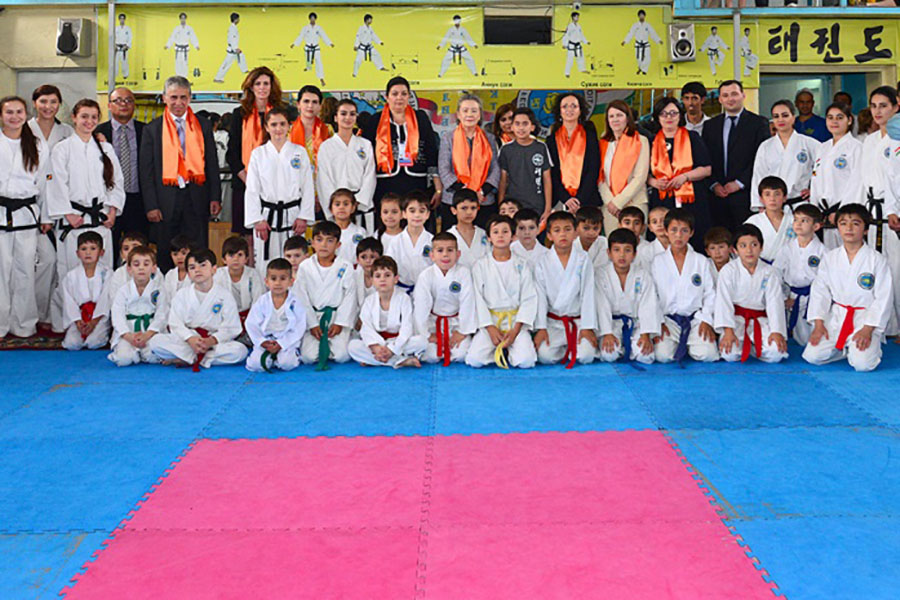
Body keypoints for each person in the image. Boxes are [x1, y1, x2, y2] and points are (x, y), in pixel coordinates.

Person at [140, 76, 221, 272]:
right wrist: (151, 205)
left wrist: (215, 197)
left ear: (190, 98)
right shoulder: (152, 129)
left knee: (198, 250)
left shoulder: (203, 125)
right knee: (166, 252)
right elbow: (146, 172)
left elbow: (212, 164)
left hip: (196, 197)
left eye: (183, 97)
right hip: (165, 201)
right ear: (164, 98)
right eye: (173, 97)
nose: (178, 102)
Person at [802, 204, 894, 372]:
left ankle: (865, 348)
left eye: (856, 223)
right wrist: (819, 324)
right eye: (843, 223)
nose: (849, 228)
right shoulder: (830, 258)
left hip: (864, 318)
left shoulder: (877, 260)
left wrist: (868, 329)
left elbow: (883, 298)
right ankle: (844, 349)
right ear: (837, 228)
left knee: (863, 365)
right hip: (837, 317)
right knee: (812, 356)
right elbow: (820, 292)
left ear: (866, 229)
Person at [48, 98, 124, 290]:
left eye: (94, 117)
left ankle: (101, 310)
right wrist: (68, 214)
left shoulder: (105, 148)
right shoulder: (62, 148)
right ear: (74, 117)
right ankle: (71, 310)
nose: (89, 121)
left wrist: (112, 211)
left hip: (100, 219)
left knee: (103, 274)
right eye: (84, 116)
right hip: (73, 220)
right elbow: (57, 183)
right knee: (70, 273)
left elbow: (116, 181)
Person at [149, 248, 248, 370]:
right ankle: (200, 358)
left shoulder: (225, 295)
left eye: (202, 265)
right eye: (192, 267)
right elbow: (175, 323)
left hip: (212, 341)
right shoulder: (182, 295)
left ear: (214, 269)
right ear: (188, 273)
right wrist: (190, 339)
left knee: (240, 351)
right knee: (155, 342)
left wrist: (211, 340)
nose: (197, 270)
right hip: (189, 341)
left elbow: (232, 327)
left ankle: (187, 358)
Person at [0, 95, 49, 339]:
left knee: (25, 270)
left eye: (19, 112)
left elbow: (44, 183)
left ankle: (24, 324)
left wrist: (46, 216)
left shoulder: (37, 145)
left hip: (27, 215)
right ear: (1, 116)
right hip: (0, 212)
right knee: (1, 271)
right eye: (9, 112)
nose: (14, 117)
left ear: (26, 114)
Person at [244, 106, 315, 271]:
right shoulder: (258, 154)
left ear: (289, 126)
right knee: (265, 264)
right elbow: (252, 189)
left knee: (295, 263)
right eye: (274, 124)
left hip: (293, 215)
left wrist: (304, 216)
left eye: (282, 124)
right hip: (266, 217)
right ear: (266, 127)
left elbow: (307, 187)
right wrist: (257, 219)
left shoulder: (299, 152)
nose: (278, 129)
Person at [466, 215, 538, 369]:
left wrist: (516, 330)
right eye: (496, 232)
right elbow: (478, 299)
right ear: (489, 237)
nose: (500, 235)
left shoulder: (522, 264)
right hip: (491, 322)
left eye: (505, 232)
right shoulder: (480, 265)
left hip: (515, 322)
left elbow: (529, 298)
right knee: (474, 360)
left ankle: (509, 349)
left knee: (526, 361)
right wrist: (490, 328)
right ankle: (500, 348)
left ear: (513, 236)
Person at [29, 85, 73, 329]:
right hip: (29, 205)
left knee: (59, 263)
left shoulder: (66, 131)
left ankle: (52, 315)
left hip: (62, 203)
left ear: (60, 104)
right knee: (43, 261)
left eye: (53, 102)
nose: (48, 106)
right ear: (34, 103)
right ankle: (34, 313)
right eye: (43, 101)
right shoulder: (24, 130)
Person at [362, 77, 440, 213]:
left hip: (416, 182)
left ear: (409, 96)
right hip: (385, 183)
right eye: (395, 94)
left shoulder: (420, 118)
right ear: (387, 97)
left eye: (404, 94)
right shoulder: (375, 121)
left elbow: (431, 151)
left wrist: (437, 186)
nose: (399, 97)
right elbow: (367, 156)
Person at [226, 67, 287, 239]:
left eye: (266, 83)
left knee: (275, 233)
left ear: (272, 86)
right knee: (248, 236)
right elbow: (232, 154)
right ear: (251, 87)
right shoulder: (239, 114)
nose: (262, 88)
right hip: (244, 184)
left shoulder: (281, 113)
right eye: (258, 83)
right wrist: (250, 181)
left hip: (276, 184)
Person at [651, 208, 718, 363]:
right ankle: (683, 344)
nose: (679, 235)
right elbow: (652, 295)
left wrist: (706, 320)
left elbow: (710, 293)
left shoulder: (701, 261)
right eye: (674, 230)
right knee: (662, 356)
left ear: (691, 233)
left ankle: (690, 343)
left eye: (684, 231)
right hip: (669, 320)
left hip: (695, 319)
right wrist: (659, 321)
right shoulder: (657, 262)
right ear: (666, 231)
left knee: (708, 355)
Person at [702, 80, 771, 231]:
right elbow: (706, 158)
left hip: (745, 195)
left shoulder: (758, 123)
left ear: (743, 95)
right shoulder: (710, 125)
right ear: (720, 99)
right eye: (725, 95)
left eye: (734, 94)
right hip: (717, 196)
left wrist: (739, 183)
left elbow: (761, 159)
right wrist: (714, 184)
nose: (730, 99)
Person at [714, 224, 788, 363]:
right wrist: (728, 331)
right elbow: (723, 302)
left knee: (776, 354)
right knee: (729, 355)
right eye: (743, 246)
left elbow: (775, 303)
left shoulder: (770, 272)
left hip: (761, 320)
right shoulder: (728, 271)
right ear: (735, 250)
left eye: (754, 245)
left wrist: (777, 331)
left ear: (761, 247)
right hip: (736, 320)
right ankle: (747, 346)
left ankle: (753, 348)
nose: (749, 250)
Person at [532, 211, 598, 368]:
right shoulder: (542, 262)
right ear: (549, 235)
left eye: (568, 229)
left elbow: (588, 294)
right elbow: (540, 297)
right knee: (545, 356)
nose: (563, 234)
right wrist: (541, 328)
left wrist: (587, 327)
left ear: (575, 233)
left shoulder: (583, 259)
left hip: (577, 321)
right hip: (553, 323)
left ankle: (571, 347)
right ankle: (568, 348)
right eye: (557, 230)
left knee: (586, 356)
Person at [647, 97, 713, 251]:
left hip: (691, 197)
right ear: (657, 117)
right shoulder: (651, 141)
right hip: (663, 197)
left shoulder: (692, 137)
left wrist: (684, 177)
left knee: (694, 236)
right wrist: (654, 182)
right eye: (664, 114)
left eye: (673, 113)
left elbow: (706, 169)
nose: (668, 117)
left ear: (680, 115)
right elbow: (645, 173)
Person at [295, 221, 357, 369]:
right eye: (319, 240)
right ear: (312, 243)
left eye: (329, 241)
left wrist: (340, 323)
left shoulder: (345, 266)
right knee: (308, 357)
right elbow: (301, 297)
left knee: (342, 356)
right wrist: (312, 324)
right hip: (314, 316)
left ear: (338, 245)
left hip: (335, 316)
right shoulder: (305, 267)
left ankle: (345, 337)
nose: (324, 245)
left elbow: (350, 296)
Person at [596, 228, 660, 366]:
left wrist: (645, 334)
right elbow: (601, 306)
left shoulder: (643, 275)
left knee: (646, 356)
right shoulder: (600, 275)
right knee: (609, 354)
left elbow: (648, 305)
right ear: (609, 253)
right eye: (616, 250)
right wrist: (607, 333)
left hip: (636, 324)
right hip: (612, 324)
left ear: (634, 254)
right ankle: (622, 347)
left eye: (627, 250)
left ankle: (629, 346)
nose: (622, 255)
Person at [348, 256, 426, 368]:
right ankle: (400, 361)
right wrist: (376, 347)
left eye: (387, 275)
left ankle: (375, 360)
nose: (382, 279)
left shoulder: (404, 299)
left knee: (421, 342)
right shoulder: (369, 301)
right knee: (353, 346)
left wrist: (391, 349)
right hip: (377, 342)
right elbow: (366, 328)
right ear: (372, 280)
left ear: (396, 279)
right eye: (378, 276)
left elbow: (406, 328)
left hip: (397, 341)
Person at [413, 232, 477, 365]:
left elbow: (468, 302)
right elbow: (421, 307)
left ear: (458, 254)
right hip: (433, 324)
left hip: (456, 324)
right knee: (431, 357)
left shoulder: (463, 273)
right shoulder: (426, 276)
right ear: (432, 255)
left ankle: (453, 344)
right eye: (440, 250)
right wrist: (427, 334)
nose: (445, 255)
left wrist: (462, 331)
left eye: (450, 250)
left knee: (461, 355)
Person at [438, 94, 500, 228]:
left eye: (474, 111)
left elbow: (495, 168)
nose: (469, 114)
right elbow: (443, 168)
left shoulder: (489, 138)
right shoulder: (448, 138)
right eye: (465, 111)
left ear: (479, 115)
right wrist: (465, 192)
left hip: (483, 199)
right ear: (458, 115)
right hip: (454, 200)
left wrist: (482, 191)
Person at [97, 88, 148, 252]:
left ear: (134, 105)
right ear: (109, 105)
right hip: (109, 201)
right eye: (118, 100)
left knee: (139, 251)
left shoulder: (147, 131)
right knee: (108, 249)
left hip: (138, 201)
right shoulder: (97, 133)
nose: (123, 104)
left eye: (128, 100)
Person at [317, 99, 377, 231]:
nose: (348, 118)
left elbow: (370, 175)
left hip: (361, 205)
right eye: (343, 114)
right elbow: (323, 180)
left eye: (352, 114)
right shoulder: (326, 146)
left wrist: (358, 202)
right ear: (336, 118)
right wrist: (337, 205)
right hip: (338, 208)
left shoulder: (365, 144)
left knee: (363, 241)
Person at [809, 102, 863, 249]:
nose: (834, 122)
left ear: (849, 120)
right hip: (823, 214)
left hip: (844, 212)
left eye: (839, 117)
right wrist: (815, 210)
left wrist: (842, 213)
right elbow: (815, 179)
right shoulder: (822, 147)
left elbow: (857, 183)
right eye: (830, 117)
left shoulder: (856, 148)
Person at [751, 100, 818, 211]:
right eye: (776, 116)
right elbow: (759, 176)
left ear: (793, 117)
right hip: (772, 205)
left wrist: (815, 189)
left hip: (800, 203)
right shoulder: (765, 146)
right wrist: (760, 205)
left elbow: (824, 169)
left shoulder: (809, 143)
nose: (780, 120)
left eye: (785, 115)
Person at [108, 245, 168, 366]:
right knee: (124, 359)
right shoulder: (123, 291)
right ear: (129, 269)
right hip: (128, 332)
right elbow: (117, 316)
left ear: (154, 268)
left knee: (153, 357)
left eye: (146, 264)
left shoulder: (159, 290)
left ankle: (142, 353)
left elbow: (162, 314)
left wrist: (147, 334)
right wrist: (128, 336)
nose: (141, 268)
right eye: (136, 264)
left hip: (151, 332)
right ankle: (132, 352)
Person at [773, 204, 824, 346]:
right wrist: (784, 298)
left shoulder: (823, 251)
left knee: (815, 341)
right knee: (801, 339)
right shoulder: (786, 249)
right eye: (796, 220)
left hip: (814, 298)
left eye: (804, 220)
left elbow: (826, 281)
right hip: (792, 297)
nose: (798, 224)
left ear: (816, 226)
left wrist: (817, 300)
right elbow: (776, 274)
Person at [244, 258, 306, 373]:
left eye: (283, 279)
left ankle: (290, 355)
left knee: (287, 364)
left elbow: (299, 327)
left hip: (286, 341)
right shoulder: (262, 301)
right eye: (273, 279)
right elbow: (251, 324)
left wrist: (282, 344)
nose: (278, 283)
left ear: (291, 281)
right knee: (256, 365)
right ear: (266, 281)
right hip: (266, 340)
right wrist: (262, 341)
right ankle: (271, 357)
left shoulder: (295, 302)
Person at [598, 100, 649, 235]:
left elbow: (640, 177)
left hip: (634, 202)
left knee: (635, 244)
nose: (615, 119)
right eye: (611, 116)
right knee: (613, 243)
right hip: (610, 207)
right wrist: (610, 202)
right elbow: (600, 177)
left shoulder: (641, 140)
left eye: (619, 115)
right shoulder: (603, 143)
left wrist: (619, 202)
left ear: (627, 118)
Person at [546, 93, 601, 213]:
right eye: (565, 106)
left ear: (580, 111)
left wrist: (579, 199)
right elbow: (552, 173)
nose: (569, 109)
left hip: (587, 200)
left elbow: (593, 170)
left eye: (574, 106)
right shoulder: (551, 140)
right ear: (559, 111)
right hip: (560, 201)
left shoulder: (590, 137)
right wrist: (566, 198)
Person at [498, 107, 552, 226]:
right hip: (513, 206)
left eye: (525, 124)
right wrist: (501, 205)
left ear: (532, 127)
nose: (521, 128)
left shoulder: (541, 147)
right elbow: (503, 180)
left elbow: (547, 179)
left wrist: (548, 208)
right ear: (512, 127)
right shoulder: (506, 149)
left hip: (536, 205)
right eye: (517, 124)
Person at [60, 231, 111, 351]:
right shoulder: (71, 276)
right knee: (71, 344)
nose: (88, 253)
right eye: (83, 249)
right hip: (80, 316)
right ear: (77, 253)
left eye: (93, 248)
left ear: (101, 252)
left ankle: (101, 331)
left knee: (93, 343)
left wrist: (94, 322)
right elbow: (69, 301)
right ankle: (80, 327)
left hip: (98, 318)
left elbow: (105, 299)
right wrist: (78, 321)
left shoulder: (107, 274)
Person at [383, 191, 433, 294]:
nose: (417, 215)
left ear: (427, 214)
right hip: (401, 291)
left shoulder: (433, 241)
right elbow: (388, 268)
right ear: (404, 214)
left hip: (427, 290)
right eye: (412, 211)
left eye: (422, 211)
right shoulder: (395, 242)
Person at [213, 236, 263, 333]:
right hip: (224, 318)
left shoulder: (253, 275)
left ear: (246, 258)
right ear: (224, 259)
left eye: (240, 255)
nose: (236, 259)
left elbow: (258, 302)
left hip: (248, 317)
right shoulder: (217, 275)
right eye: (231, 255)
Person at [745, 176, 794, 265]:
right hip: (761, 267)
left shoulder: (794, 220)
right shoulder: (753, 222)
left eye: (777, 194)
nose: (772, 199)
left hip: (791, 267)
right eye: (767, 194)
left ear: (784, 198)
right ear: (761, 199)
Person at [105, 231, 163, 305]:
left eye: (135, 247)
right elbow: (114, 300)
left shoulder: (155, 272)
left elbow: (161, 299)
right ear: (121, 254)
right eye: (126, 249)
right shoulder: (119, 274)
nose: (131, 251)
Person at [290, 85, 332, 177]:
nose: (310, 106)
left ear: (320, 106)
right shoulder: (287, 131)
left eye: (314, 102)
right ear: (298, 104)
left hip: (322, 182)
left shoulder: (328, 130)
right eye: (306, 101)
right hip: (295, 182)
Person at [446, 189, 488, 268]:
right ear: (454, 210)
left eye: (473, 208)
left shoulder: (484, 234)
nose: (469, 212)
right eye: (464, 208)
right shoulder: (448, 236)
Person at [291, 12, 333, 87]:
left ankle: (321, 78)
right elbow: (300, 36)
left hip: (316, 48)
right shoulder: (305, 28)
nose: (312, 20)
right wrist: (294, 44)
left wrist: (329, 43)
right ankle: (308, 67)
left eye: (314, 18)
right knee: (308, 60)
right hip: (308, 47)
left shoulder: (318, 28)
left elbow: (324, 36)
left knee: (319, 63)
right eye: (311, 18)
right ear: (309, 19)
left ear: (315, 19)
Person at [329, 189, 366, 265]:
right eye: (337, 204)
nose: (341, 207)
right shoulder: (327, 232)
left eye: (346, 204)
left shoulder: (360, 231)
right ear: (331, 209)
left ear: (353, 208)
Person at [622, 10, 662, 76]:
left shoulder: (648, 25)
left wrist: (658, 40)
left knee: (648, 58)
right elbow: (630, 33)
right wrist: (625, 41)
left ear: (644, 16)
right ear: (638, 16)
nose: (641, 17)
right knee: (639, 58)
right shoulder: (635, 25)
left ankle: (644, 70)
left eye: (642, 15)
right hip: (638, 44)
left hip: (646, 43)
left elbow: (653, 33)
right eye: (640, 15)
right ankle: (640, 68)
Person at [214, 13, 248, 83]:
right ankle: (218, 78)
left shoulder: (233, 27)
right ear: (235, 20)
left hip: (233, 48)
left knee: (241, 57)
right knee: (226, 64)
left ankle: (244, 70)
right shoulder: (232, 29)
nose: (239, 20)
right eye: (238, 19)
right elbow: (232, 39)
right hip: (232, 49)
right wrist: (235, 48)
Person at [164, 13, 200, 79]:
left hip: (185, 48)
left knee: (185, 63)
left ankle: (184, 78)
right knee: (178, 63)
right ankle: (178, 78)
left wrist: (196, 45)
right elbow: (172, 37)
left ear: (185, 19)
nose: (183, 20)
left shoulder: (189, 29)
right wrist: (168, 45)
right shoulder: (176, 28)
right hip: (178, 48)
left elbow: (193, 37)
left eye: (184, 18)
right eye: (182, 18)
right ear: (180, 19)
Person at [164, 234, 196, 299]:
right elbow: (166, 299)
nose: (179, 257)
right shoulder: (170, 274)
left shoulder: (196, 273)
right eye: (175, 254)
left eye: (183, 253)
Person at [636, 205, 669, 270]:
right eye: (654, 222)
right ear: (650, 227)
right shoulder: (646, 250)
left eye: (663, 221)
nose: (659, 224)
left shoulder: (682, 246)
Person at [354, 237, 382, 309]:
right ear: (357, 260)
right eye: (363, 257)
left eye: (372, 257)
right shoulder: (354, 277)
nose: (368, 261)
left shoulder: (385, 278)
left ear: (380, 258)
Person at [561, 12, 590, 78]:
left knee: (580, 58)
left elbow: (581, 35)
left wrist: (586, 41)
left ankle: (582, 69)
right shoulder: (570, 26)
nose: (577, 18)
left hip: (578, 44)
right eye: (576, 17)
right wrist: (564, 44)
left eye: (578, 17)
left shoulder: (578, 26)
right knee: (570, 59)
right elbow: (566, 35)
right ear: (573, 17)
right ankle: (567, 73)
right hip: (572, 45)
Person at [114, 14, 132, 80]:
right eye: (121, 18)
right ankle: (115, 74)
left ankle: (125, 74)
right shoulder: (116, 28)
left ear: (124, 19)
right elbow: (113, 37)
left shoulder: (128, 29)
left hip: (124, 47)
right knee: (115, 62)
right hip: (117, 47)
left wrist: (127, 45)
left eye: (123, 18)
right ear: (119, 19)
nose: (122, 20)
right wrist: (114, 45)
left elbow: (130, 38)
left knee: (124, 62)